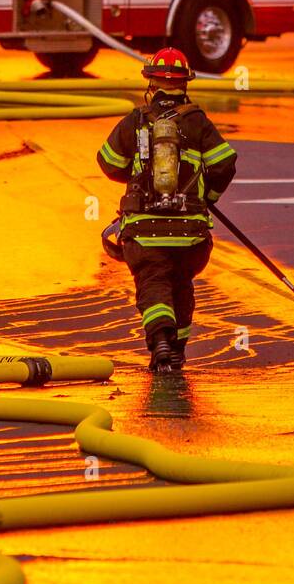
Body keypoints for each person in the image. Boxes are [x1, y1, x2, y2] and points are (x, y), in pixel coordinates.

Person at [97, 47, 237, 372]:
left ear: (151, 83)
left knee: (152, 281)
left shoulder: (136, 121)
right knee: (182, 282)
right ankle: (177, 350)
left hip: (145, 231)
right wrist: (208, 198)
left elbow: (108, 163)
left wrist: (135, 172)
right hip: (190, 234)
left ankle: (160, 340)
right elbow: (225, 164)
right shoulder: (197, 122)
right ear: (185, 84)